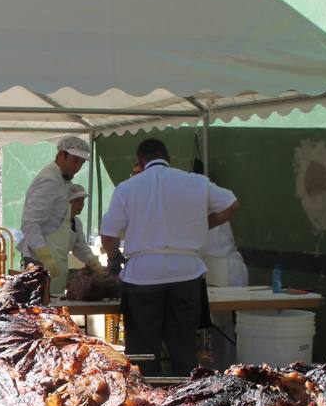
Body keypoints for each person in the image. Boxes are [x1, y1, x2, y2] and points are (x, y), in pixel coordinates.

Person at [99, 139, 239, 377]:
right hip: (186, 274)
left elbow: (109, 233)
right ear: (168, 158)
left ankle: (146, 404)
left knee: (143, 350)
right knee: (183, 348)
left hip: (142, 276)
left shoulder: (128, 187)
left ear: (140, 161)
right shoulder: (195, 182)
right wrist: (204, 225)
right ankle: (187, 401)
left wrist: (114, 259)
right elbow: (231, 203)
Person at [19, 135, 90, 295]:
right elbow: (30, 222)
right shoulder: (49, 180)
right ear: (61, 155)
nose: (77, 167)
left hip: (52, 259)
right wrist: (44, 256)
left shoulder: (60, 181)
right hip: (41, 261)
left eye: (81, 163)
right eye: (74, 161)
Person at [64, 183, 103, 276]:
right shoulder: (53, 220)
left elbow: (81, 248)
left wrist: (93, 262)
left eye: (82, 201)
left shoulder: (76, 223)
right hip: (37, 262)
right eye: (77, 201)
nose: (81, 205)